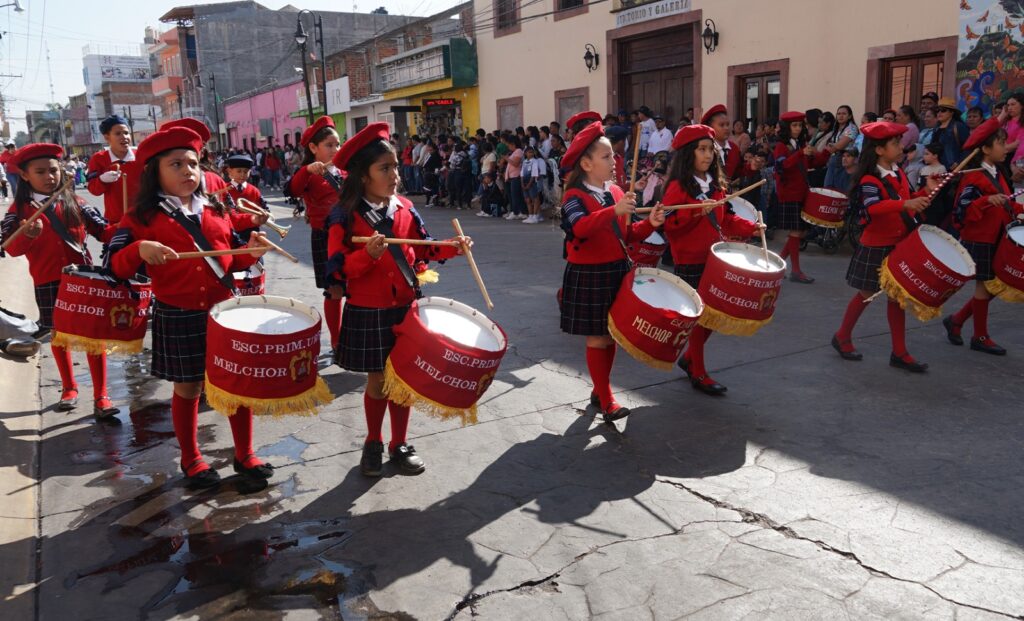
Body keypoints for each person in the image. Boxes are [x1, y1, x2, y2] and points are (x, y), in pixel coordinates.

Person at [106, 126, 273, 488]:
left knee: (235, 384)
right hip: (178, 313)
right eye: (176, 164)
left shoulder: (216, 209)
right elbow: (113, 266)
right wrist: (138, 249)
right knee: (189, 388)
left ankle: (245, 453)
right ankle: (191, 457)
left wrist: (250, 252)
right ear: (155, 172)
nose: (188, 171)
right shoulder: (140, 217)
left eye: (193, 164)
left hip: (224, 312)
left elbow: (230, 261)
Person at [324, 122, 469, 476]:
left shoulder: (404, 207)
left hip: (405, 307)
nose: (395, 176)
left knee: (403, 380)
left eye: (395, 167)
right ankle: (373, 441)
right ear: (363, 176)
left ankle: (399, 443)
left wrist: (452, 248)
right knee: (378, 382)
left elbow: (424, 246)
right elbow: (337, 268)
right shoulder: (344, 214)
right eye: (384, 168)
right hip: (368, 309)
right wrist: (366, 256)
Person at [558, 121, 665, 421]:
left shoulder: (616, 192)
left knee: (611, 335)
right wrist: (612, 211)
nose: (615, 161)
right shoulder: (574, 196)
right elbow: (580, 228)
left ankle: (600, 388)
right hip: (589, 274)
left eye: (613, 156)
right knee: (597, 338)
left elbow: (626, 235)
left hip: (617, 269)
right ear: (586, 164)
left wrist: (650, 224)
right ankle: (607, 399)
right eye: (606, 157)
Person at [1, 143, 117, 417]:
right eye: (40, 172)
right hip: (47, 280)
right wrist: (27, 235)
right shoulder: (19, 211)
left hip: (83, 279)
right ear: (25, 175)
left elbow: (104, 232)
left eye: (53, 170)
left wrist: (131, 225)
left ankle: (101, 395)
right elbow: (10, 248)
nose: (49, 176)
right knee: (59, 335)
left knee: (92, 336)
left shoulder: (76, 202)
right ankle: (69, 387)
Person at [661, 125, 761, 395]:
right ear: (688, 154)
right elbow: (670, 224)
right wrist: (696, 212)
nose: (708, 155)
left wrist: (751, 227)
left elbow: (727, 217)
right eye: (701, 149)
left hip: (715, 257)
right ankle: (698, 371)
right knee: (700, 318)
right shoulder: (677, 186)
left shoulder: (715, 185)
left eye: (710, 150)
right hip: (690, 259)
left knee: (715, 314)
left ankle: (690, 358)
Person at [831, 121, 937, 372]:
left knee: (897, 298)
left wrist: (927, 191)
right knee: (866, 294)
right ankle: (842, 336)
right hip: (876, 245)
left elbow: (908, 202)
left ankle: (899, 352)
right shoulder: (870, 179)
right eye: (895, 143)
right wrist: (906, 204)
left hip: (898, 243)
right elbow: (873, 207)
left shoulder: (899, 173)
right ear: (879, 150)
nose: (901, 147)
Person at [943, 119, 1023, 355]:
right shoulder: (974, 177)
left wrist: (1020, 210)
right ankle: (979, 336)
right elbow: (963, 209)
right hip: (981, 238)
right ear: (986, 149)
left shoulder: (997, 173)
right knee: (985, 286)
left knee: (995, 286)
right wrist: (986, 200)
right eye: (1001, 143)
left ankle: (957, 320)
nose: (1006, 147)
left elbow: (1006, 203)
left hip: (997, 236)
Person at [288, 116, 345, 353]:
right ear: (313, 148)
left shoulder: (345, 170)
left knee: (356, 289)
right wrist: (306, 170)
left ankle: (353, 338)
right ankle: (337, 342)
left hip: (350, 235)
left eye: (337, 144)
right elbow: (293, 189)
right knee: (334, 291)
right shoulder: (308, 173)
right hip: (325, 237)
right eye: (329, 145)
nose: (335, 149)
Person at [773, 111, 830, 283]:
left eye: (800, 125)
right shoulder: (781, 146)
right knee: (796, 232)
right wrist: (800, 153)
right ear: (787, 127)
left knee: (799, 232)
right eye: (794, 125)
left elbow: (813, 163)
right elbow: (782, 166)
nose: (798, 128)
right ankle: (796, 271)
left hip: (802, 192)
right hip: (789, 193)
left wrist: (825, 153)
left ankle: (777, 265)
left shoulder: (800, 144)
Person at [87, 115, 138, 227]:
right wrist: (102, 180)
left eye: (126, 133)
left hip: (142, 218)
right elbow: (93, 190)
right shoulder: (98, 158)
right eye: (118, 134)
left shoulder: (140, 155)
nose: (124, 137)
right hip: (115, 221)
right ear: (107, 137)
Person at [224, 153, 268, 243]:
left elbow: (263, 208)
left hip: (252, 231)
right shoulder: (224, 189)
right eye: (239, 171)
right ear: (229, 171)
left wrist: (264, 215)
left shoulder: (255, 190)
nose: (242, 175)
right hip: (232, 231)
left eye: (245, 172)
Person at [702, 105, 743, 182]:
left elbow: (739, 170)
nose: (726, 128)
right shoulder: (705, 149)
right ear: (710, 128)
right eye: (721, 125)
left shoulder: (734, 148)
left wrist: (751, 167)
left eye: (728, 124)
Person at [933, 97, 969, 170]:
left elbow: (968, 148)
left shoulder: (958, 126)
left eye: (943, 110)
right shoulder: (936, 128)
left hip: (953, 169)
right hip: (937, 168)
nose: (939, 113)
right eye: (937, 110)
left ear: (952, 112)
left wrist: (959, 162)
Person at [521, 145, 547, 223]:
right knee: (527, 200)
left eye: (532, 152)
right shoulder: (524, 162)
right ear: (525, 153)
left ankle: (535, 216)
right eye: (529, 152)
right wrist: (522, 183)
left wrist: (529, 184)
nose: (531, 154)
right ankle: (530, 215)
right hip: (525, 182)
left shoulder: (535, 161)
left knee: (535, 199)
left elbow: (534, 173)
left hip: (532, 183)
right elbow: (522, 174)